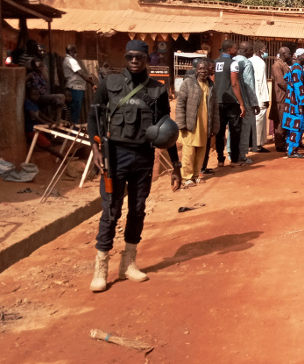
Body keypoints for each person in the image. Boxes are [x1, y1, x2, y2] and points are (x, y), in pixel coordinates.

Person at [87, 39, 182, 293]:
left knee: (137, 210)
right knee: (111, 210)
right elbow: (93, 117)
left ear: (146, 59)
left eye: (139, 57)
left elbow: (167, 130)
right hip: (114, 156)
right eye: (130, 57)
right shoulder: (109, 84)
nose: (134, 61)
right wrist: (95, 149)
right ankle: (101, 267)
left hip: (143, 157)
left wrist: (175, 165)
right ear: (125, 57)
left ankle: (128, 263)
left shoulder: (157, 90)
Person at [176, 58, 218, 187]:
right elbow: (180, 104)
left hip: (205, 125)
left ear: (208, 71)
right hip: (190, 124)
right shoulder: (188, 83)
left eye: (205, 69)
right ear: (196, 70)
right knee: (189, 152)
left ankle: (195, 175)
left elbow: (215, 108)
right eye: (200, 69)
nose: (203, 71)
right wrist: (181, 124)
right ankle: (186, 177)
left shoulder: (211, 85)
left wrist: (215, 127)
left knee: (201, 151)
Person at [214, 40, 245, 167]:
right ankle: (234, 159)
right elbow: (234, 84)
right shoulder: (233, 63)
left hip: (217, 101)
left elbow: (213, 82)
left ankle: (220, 159)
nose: (236, 50)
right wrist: (241, 103)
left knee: (219, 132)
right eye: (235, 48)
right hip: (231, 102)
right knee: (235, 130)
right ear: (229, 49)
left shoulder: (214, 62)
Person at [283, 49, 304, 158]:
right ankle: (293, 151)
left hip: (292, 101)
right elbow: (298, 86)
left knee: (292, 126)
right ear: (298, 56)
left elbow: (286, 78)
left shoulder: (295, 67)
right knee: (297, 125)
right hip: (296, 103)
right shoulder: (297, 69)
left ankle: (289, 149)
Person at [231, 41, 260, 164]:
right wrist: (255, 103)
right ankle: (242, 155)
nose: (252, 52)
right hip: (245, 101)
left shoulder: (232, 61)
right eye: (251, 50)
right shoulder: (247, 63)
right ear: (246, 50)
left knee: (233, 128)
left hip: (233, 100)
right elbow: (249, 84)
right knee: (245, 129)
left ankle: (231, 153)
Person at [24, 86, 63, 159]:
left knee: (49, 141)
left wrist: (52, 122)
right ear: (28, 95)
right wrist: (45, 122)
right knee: (48, 145)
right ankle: (63, 158)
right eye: (34, 94)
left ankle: (61, 156)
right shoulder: (28, 102)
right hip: (31, 129)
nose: (36, 96)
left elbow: (41, 114)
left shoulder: (35, 104)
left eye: (37, 94)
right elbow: (33, 115)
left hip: (37, 127)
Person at [63, 45, 96, 125]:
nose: (76, 53)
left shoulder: (68, 60)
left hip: (74, 87)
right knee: (75, 112)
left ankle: (72, 128)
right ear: (71, 52)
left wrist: (87, 77)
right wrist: (93, 84)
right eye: (75, 51)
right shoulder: (71, 60)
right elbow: (80, 73)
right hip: (75, 88)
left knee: (73, 111)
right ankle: (73, 130)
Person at [249, 41, 271, 152]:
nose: (266, 51)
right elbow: (262, 81)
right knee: (259, 120)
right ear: (259, 50)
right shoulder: (260, 63)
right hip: (259, 95)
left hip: (250, 95)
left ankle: (253, 142)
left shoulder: (249, 60)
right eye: (265, 49)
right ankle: (257, 144)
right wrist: (266, 99)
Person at [270, 46, 291, 152]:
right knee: (281, 121)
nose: (290, 55)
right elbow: (281, 81)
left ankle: (283, 142)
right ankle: (280, 144)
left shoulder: (284, 64)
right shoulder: (277, 65)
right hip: (281, 98)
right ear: (283, 54)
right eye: (289, 53)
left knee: (284, 120)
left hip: (285, 97)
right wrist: (291, 90)